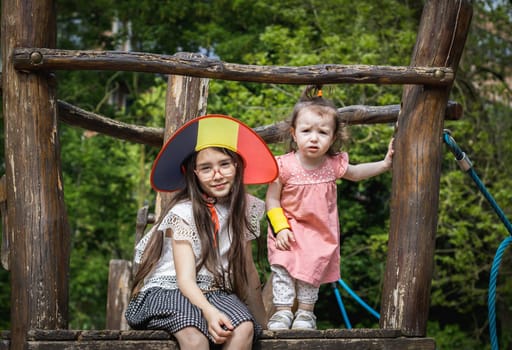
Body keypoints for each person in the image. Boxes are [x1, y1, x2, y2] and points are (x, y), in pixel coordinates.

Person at [125, 114, 278, 349]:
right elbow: (185, 280)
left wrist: (264, 325)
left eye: (224, 164)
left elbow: (247, 272)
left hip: (214, 291)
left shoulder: (243, 210)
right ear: (194, 174)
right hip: (170, 290)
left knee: (244, 328)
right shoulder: (184, 212)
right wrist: (209, 312)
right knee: (194, 335)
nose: (217, 175)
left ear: (237, 165)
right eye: (206, 168)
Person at [265, 85, 394, 330]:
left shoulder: (332, 164)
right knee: (282, 267)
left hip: (318, 233)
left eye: (322, 132)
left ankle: (305, 314)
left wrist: (385, 164)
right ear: (294, 133)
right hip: (288, 229)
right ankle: (282, 313)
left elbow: (356, 173)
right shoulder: (283, 165)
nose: (314, 137)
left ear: (333, 138)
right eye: (306, 131)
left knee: (310, 273)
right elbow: (272, 200)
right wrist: (280, 228)